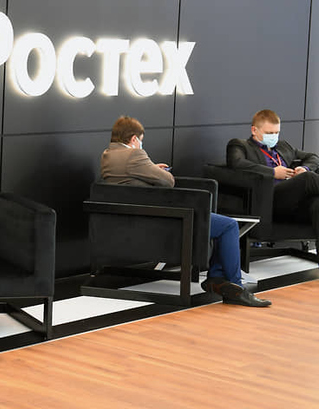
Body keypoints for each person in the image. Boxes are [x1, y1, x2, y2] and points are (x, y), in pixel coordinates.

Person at [101, 116, 270, 307]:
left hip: (137, 218)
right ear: (133, 139)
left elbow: (130, 178)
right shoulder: (135, 155)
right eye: (140, 140)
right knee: (228, 225)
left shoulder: (108, 155)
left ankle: (217, 279)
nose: (141, 144)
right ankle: (235, 286)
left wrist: (150, 169)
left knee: (221, 225)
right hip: (166, 221)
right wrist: (159, 171)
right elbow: (168, 181)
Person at [227, 109, 319, 239]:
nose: (274, 136)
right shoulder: (240, 145)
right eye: (269, 133)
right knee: (308, 178)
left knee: (317, 203)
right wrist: (273, 172)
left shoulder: (283, 146)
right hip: (269, 199)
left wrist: (305, 168)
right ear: (254, 130)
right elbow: (237, 163)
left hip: (293, 199)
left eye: (277, 133)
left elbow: (313, 157)